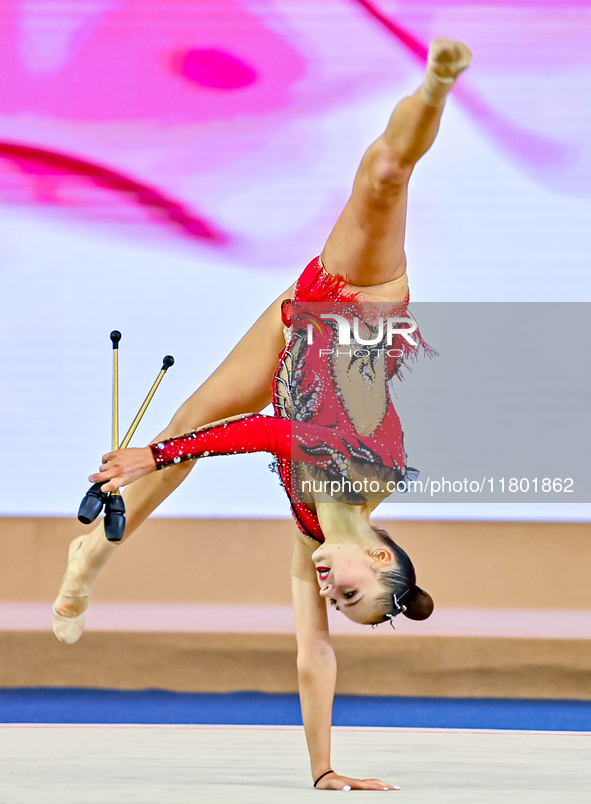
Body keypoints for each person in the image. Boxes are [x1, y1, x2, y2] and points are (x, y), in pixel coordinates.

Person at [53, 38, 472, 790]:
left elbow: (314, 653)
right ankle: (439, 85)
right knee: (384, 174)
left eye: (332, 600)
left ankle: (91, 555)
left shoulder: (313, 537)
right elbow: (278, 433)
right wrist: (151, 457)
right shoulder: (366, 477)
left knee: (181, 427)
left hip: (290, 344)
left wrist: (323, 770)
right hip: (351, 303)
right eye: (344, 591)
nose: (324, 591)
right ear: (378, 557)